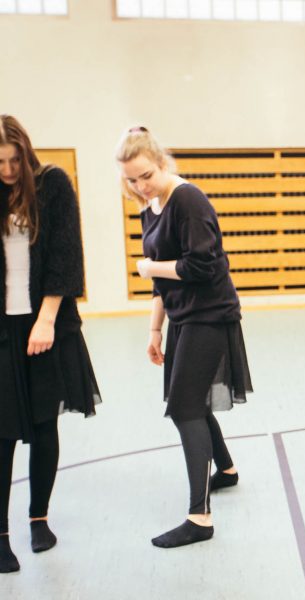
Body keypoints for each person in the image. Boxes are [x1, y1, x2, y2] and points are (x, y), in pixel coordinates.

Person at [116, 126, 252, 547]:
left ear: (162, 163)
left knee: (184, 408)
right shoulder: (150, 205)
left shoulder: (188, 199)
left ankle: (200, 518)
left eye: (145, 176)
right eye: (131, 180)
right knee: (191, 399)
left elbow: (202, 267)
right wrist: (155, 328)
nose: (139, 186)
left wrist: (148, 268)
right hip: (183, 318)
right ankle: (225, 469)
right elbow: (162, 281)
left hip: (210, 316)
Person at [0, 114, 101, 573]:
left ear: (26, 152)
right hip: (3, 327)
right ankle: (0, 536)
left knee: (44, 427)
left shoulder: (51, 185)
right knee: (2, 436)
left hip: (45, 324)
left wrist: (45, 319)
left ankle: (38, 518)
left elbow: (65, 255)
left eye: (13, 159)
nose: (7, 169)